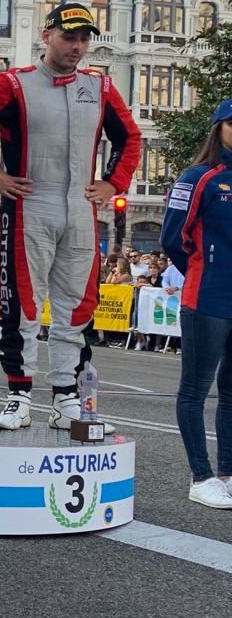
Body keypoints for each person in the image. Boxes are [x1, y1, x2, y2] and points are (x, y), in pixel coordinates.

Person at [0, 2, 141, 431]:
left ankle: (67, 399)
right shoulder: (13, 83)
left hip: (82, 210)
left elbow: (130, 138)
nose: (77, 46)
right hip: (29, 206)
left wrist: (114, 183)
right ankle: (18, 396)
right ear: (46, 35)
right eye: (69, 36)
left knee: (77, 309)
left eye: (84, 39)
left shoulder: (101, 86)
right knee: (22, 305)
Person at [161, 98, 232, 508]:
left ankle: (227, 473)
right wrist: (203, 272)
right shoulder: (198, 177)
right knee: (195, 390)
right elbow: (173, 238)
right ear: (218, 127)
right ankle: (201, 477)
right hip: (206, 297)